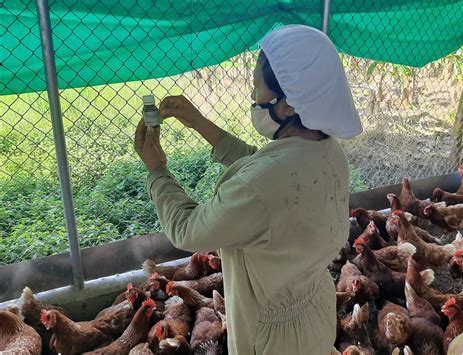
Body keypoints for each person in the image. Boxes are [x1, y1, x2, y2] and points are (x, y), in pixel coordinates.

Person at [135, 25, 362, 355]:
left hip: (275, 338)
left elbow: (187, 230)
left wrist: (157, 170)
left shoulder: (262, 185)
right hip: (315, 307)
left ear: (288, 106)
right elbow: (265, 170)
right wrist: (202, 125)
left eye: (258, 88)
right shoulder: (326, 149)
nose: (254, 97)